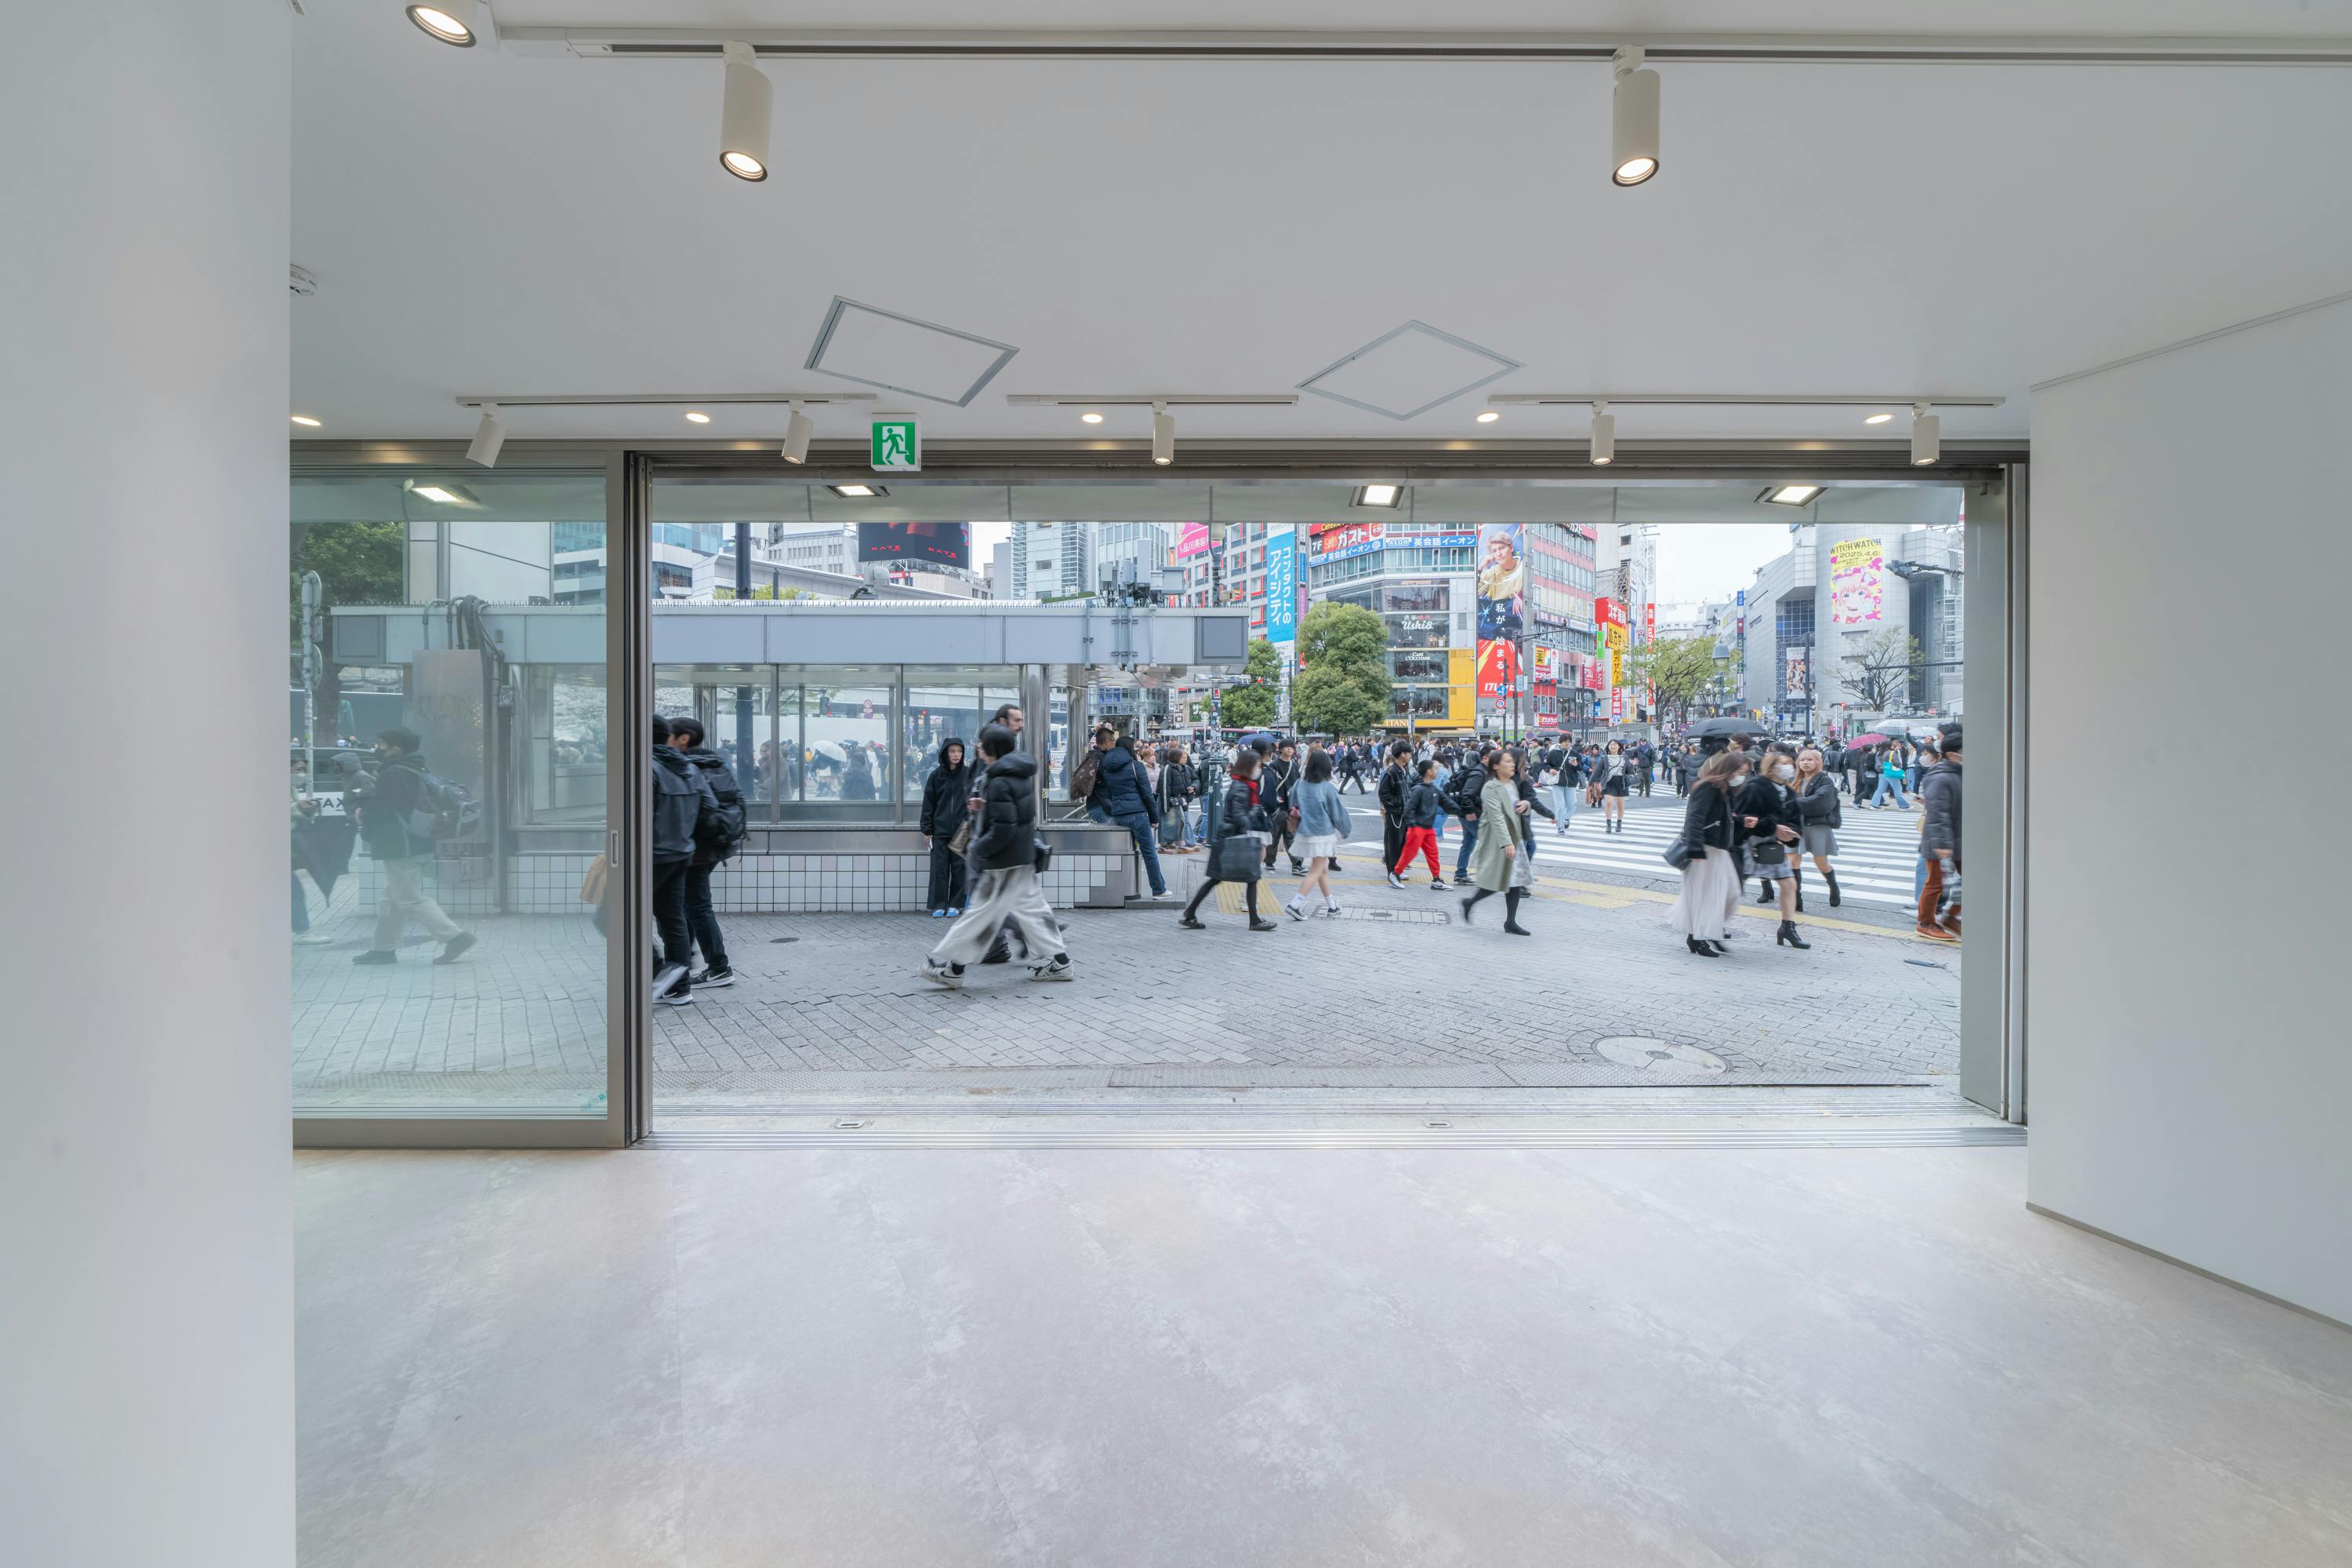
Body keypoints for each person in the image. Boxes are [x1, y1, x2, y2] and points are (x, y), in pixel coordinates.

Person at [920, 724, 1071, 985]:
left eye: (982, 743)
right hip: (1021, 859)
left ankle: (953, 969)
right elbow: (1011, 816)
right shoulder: (1016, 774)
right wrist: (983, 808)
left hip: (1001, 863)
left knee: (979, 916)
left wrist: (977, 849)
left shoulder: (999, 781)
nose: (977, 747)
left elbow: (1003, 828)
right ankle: (1062, 963)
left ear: (992, 749)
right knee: (1034, 912)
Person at [349, 727, 476, 967]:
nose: (377, 748)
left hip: (401, 845)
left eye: (381, 745)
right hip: (419, 841)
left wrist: (362, 814)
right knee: (392, 899)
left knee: (409, 898)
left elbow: (384, 809)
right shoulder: (416, 769)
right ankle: (383, 949)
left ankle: (455, 937)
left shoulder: (394, 774)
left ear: (396, 749)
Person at [668, 717, 746, 987]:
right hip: (709, 847)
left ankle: (718, 966)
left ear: (684, 738)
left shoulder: (688, 768)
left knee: (697, 907)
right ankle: (683, 964)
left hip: (695, 850)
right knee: (689, 905)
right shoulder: (712, 762)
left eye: (669, 736)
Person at [649, 717, 720, 1004]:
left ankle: (658, 970)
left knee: (614, 915)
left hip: (653, 854)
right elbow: (709, 807)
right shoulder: (688, 767)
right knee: (673, 918)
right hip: (682, 853)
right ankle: (679, 988)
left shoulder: (648, 767)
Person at [1179, 746, 1278, 932]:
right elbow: (1240, 816)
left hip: (1225, 838)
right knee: (1250, 877)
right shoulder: (1243, 787)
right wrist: (1255, 812)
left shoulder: (1241, 783)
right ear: (1249, 766)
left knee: (1217, 879)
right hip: (1231, 839)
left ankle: (1190, 913)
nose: (1259, 768)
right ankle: (1254, 921)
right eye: (1257, 765)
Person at [1671, 750, 1748, 956]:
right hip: (1703, 849)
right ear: (1729, 769)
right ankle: (1697, 938)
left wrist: (1742, 821)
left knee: (1730, 894)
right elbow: (1694, 819)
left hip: (1720, 849)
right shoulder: (1708, 787)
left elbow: (1725, 818)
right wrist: (1695, 849)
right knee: (1705, 897)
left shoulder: (1726, 790)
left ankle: (1707, 930)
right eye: (1740, 772)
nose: (1742, 776)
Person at [1738, 744, 1811, 949]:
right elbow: (1743, 817)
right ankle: (1713, 923)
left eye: (1790, 763)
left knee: (1789, 884)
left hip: (1773, 847)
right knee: (1733, 888)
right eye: (1783, 764)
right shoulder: (1755, 787)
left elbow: (1795, 819)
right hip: (1749, 844)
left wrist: (1792, 833)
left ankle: (1788, 927)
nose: (1789, 767)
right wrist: (1772, 827)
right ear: (1771, 767)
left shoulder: (1789, 792)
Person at [1085, 725, 1169, 900]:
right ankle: (1159, 890)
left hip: (1118, 813)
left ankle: (1117, 889)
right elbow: (1147, 794)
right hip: (1137, 814)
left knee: (1119, 851)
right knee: (1148, 852)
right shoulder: (1135, 766)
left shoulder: (1108, 767)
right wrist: (1154, 818)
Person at [1460, 749, 1532, 935]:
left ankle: (1510, 921)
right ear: (1495, 766)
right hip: (1498, 840)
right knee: (1496, 881)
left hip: (1513, 839)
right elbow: (1496, 817)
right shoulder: (1490, 787)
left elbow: (1516, 808)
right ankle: (1470, 902)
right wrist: (1506, 843)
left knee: (1514, 880)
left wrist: (1526, 806)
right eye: (1507, 761)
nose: (1512, 764)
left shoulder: (1511, 785)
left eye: (1511, 761)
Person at [1285, 748, 1352, 920]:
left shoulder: (1300, 784)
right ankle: (1295, 904)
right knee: (1316, 871)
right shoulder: (1327, 788)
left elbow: (1291, 803)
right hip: (1322, 833)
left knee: (1322, 869)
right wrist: (1345, 830)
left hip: (1304, 831)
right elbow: (1338, 813)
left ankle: (1332, 906)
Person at [1916, 728, 1963, 942]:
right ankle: (1925, 922)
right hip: (1940, 840)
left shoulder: (1960, 773)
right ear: (1953, 754)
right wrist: (1943, 845)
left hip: (1960, 839)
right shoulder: (1941, 778)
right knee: (1935, 883)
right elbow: (1938, 814)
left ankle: (1950, 916)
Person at [918, 735, 972, 916]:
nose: (956, 755)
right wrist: (927, 829)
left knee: (959, 868)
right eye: (952, 751)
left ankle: (955, 904)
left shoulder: (968, 775)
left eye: (959, 751)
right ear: (945, 753)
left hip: (963, 830)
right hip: (939, 830)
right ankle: (938, 904)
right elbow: (929, 804)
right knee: (939, 868)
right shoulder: (936, 776)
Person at [1794, 746, 1844, 907]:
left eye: (1810, 759)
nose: (1805, 763)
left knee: (1820, 861)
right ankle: (1796, 897)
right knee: (1793, 860)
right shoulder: (1794, 780)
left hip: (1817, 825)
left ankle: (1833, 887)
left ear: (1818, 762)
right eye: (1802, 760)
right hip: (1795, 825)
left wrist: (1792, 803)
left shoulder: (1825, 780)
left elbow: (1821, 800)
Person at [1392, 760, 1447, 887]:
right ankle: (1395, 874)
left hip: (1427, 827)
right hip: (1417, 827)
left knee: (1433, 854)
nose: (1436, 771)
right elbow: (1409, 809)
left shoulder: (1433, 788)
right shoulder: (1419, 789)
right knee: (1410, 853)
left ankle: (1436, 879)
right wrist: (1412, 824)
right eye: (1434, 769)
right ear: (1428, 772)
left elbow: (1446, 802)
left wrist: (1463, 810)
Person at [1446, 747, 1491, 884]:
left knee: (1468, 844)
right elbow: (1467, 794)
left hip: (1468, 813)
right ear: (1485, 758)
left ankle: (1461, 874)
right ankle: (1489, 875)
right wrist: (1470, 812)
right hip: (1471, 814)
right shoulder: (1479, 773)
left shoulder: (1482, 771)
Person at [1261, 739, 1302, 874]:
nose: (1290, 750)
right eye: (1287, 747)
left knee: (1292, 837)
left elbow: (1298, 784)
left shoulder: (1294, 765)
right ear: (1282, 749)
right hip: (1278, 807)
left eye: (1292, 747)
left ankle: (1297, 864)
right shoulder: (1274, 765)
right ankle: (1269, 861)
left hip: (1291, 807)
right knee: (1274, 836)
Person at [1377, 742, 1414, 880]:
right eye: (1409, 753)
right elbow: (1384, 794)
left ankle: (1398, 869)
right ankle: (1392, 871)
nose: (1410, 756)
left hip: (1404, 813)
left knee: (1403, 841)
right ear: (1403, 754)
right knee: (1393, 843)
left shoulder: (1405, 770)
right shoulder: (1391, 773)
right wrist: (1396, 805)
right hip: (1395, 814)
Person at [1156, 742, 1197, 852]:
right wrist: (1166, 806)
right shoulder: (1168, 768)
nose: (1183, 759)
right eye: (1181, 757)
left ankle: (1172, 843)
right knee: (1168, 823)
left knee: (1179, 822)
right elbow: (1165, 788)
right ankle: (1164, 846)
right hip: (1169, 801)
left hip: (1175, 800)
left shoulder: (1177, 768)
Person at [1596, 739, 1631, 834]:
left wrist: (1632, 764)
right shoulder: (1605, 758)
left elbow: (1629, 771)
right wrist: (1594, 782)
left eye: (1615, 744)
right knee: (1609, 802)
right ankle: (1608, 824)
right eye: (1611, 745)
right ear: (1608, 747)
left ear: (1619, 746)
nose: (1613, 746)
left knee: (1620, 804)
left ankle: (1619, 823)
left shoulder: (1624, 757)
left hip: (1620, 781)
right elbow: (1598, 772)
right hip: (1609, 782)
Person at [1871, 740, 1912, 810]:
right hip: (1891, 773)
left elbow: (1877, 764)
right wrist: (1900, 767)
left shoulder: (1878, 753)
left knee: (1880, 790)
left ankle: (1874, 805)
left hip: (1881, 773)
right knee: (1897, 790)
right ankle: (1903, 806)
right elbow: (1897, 763)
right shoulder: (1892, 752)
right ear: (1889, 746)